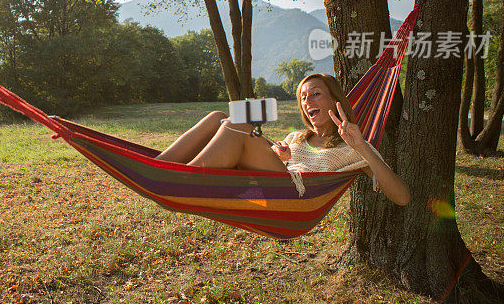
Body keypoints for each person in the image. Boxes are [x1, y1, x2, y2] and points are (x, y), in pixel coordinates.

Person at [156, 73, 410, 205]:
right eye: (303, 97)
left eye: (315, 94)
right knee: (218, 117)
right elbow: (281, 165)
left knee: (239, 122)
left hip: (292, 198)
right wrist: (283, 158)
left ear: (335, 100)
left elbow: (402, 197)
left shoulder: (351, 146)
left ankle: (181, 180)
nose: (307, 101)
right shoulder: (297, 136)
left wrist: (362, 147)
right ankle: (153, 168)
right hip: (271, 180)